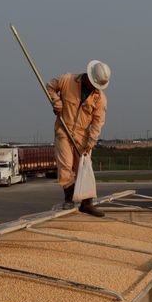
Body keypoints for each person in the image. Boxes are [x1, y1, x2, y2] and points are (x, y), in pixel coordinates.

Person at [46, 60, 111, 217]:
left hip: (83, 135)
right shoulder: (67, 80)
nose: (96, 88)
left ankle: (86, 203)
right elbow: (49, 87)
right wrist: (56, 100)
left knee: (84, 168)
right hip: (63, 128)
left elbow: (98, 121)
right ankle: (68, 199)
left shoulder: (100, 98)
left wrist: (92, 140)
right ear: (89, 77)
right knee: (66, 165)